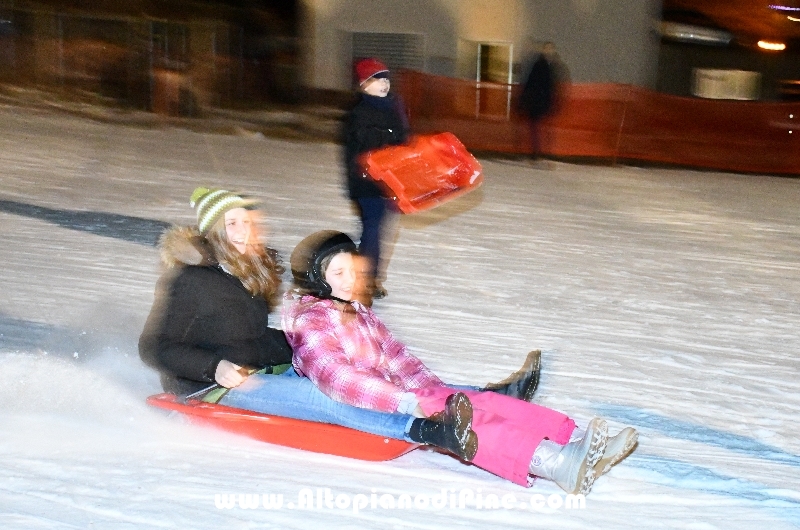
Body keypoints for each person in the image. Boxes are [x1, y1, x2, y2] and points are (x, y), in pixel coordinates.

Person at [138, 188, 533, 460]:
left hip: (259, 367)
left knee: (360, 370)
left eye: (247, 222)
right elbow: (155, 347)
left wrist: (310, 343)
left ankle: (486, 397)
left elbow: (250, 336)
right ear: (214, 230)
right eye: (232, 224)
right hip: (210, 387)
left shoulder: (251, 273)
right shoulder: (190, 280)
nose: (243, 232)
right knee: (327, 396)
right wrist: (213, 369)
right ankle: (430, 431)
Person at [283, 230, 639, 494]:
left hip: (400, 394)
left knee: (477, 401)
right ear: (317, 278)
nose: (350, 280)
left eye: (352, 270)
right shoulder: (312, 321)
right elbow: (336, 377)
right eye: (338, 273)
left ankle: (572, 441)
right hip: (370, 405)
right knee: (468, 419)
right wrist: (408, 400)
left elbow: (396, 353)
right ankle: (555, 462)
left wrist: (433, 387)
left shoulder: (356, 311)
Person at [342, 57, 409, 300]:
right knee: (372, 229)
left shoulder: (392, 108)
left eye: (386, 78)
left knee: (378, 230)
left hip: (389, 181)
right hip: (366, 181)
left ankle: (363, 274)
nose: (384, 84)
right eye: (377, 79)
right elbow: (364, 146)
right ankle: (368, 279)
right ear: (363, 84)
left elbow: (403, 141)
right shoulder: (360, 112)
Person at [518, 41, 558, 162]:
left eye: (549, 49)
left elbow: (551, 85)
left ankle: (539, 151)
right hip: (537, 101)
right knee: (535, 127)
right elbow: (533, 83)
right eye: (546, 49)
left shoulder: (551, 65)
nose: (548, 51)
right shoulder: (540, 65)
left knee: (538, 127)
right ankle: (537, 151)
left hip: (542, 101)